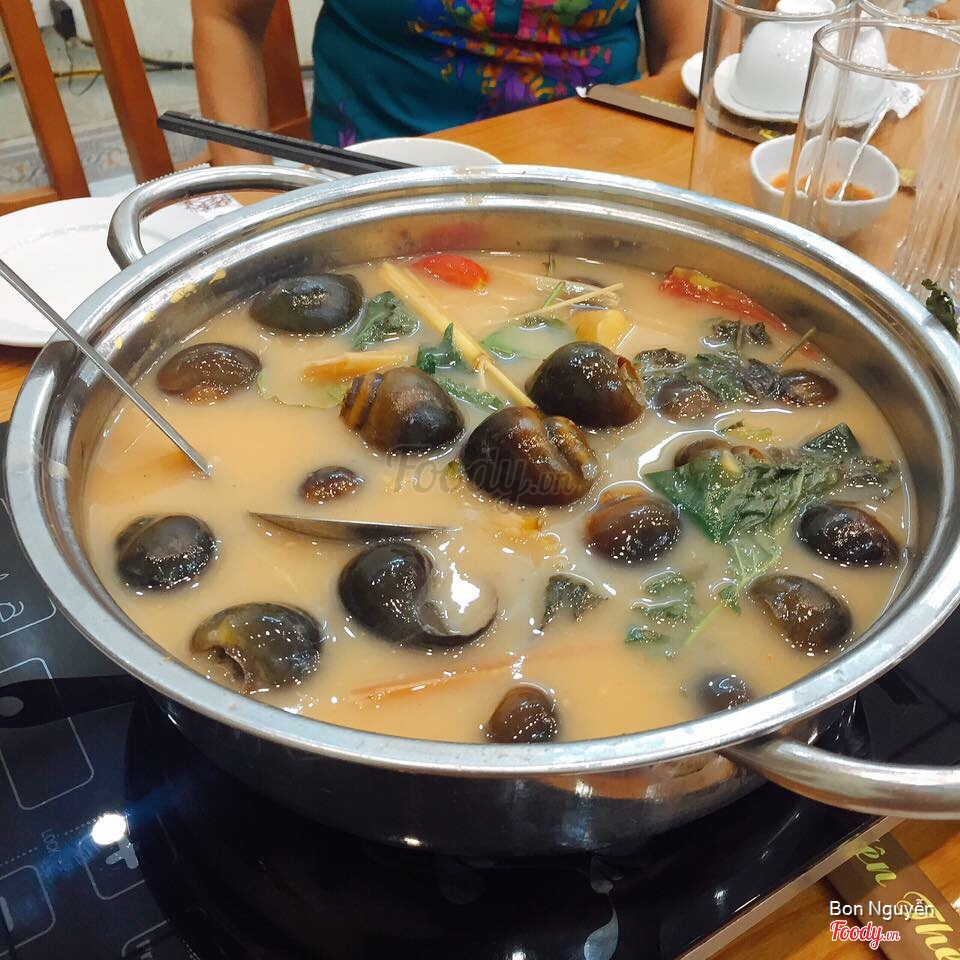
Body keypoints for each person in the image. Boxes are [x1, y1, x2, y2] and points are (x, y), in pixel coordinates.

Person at [192, 0, 707, 164]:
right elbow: (226, 19)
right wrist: (250, 196)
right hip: (378, 178)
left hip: (597, 173)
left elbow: (689, 53)